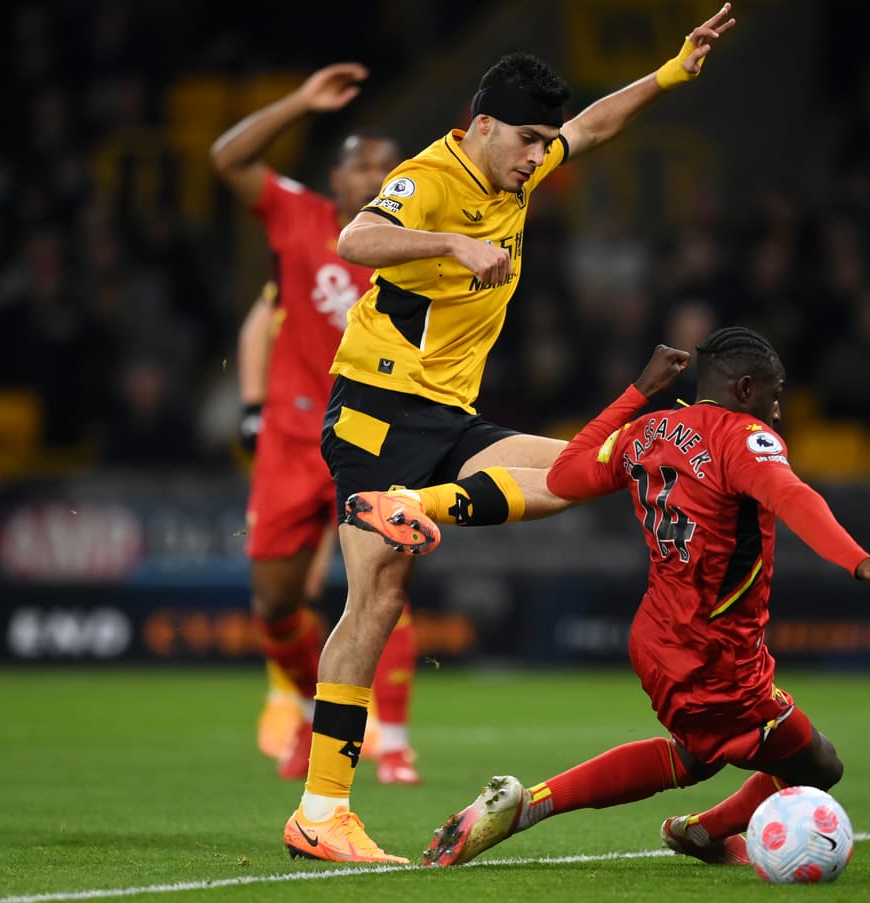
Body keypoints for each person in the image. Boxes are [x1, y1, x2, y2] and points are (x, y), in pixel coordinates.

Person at [283, 4, 739, 864]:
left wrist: (675, 71)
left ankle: (413, 504)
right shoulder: (433, 175)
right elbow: (356, 235)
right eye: (526, 139)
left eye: (542, 143)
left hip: (444, 419)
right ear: (482, 126)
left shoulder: (517, 173)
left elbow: (594, 124)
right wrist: (452, 243)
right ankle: (321, 811)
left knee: (584, 468)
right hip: (377, 411)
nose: (539, 155)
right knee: (375, 602)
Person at [420, 328, 870, 867]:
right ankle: (649, 823)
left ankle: (660, 827)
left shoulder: (645, 431)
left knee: (698, 756)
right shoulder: (742, 438)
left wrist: (635, 392)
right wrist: (862, 562)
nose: (779, 409)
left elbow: (564, 475)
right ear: (745, 388)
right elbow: (793, 496)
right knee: (821, 766)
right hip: (717, 652)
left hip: (657, 637)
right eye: (774, 393)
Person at [210, 65, 421, 787]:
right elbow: (227, 158)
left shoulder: (415, 246)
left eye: (390, 169)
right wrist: (300, 102)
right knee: (274, 604)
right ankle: (306, 707)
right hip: (291, 436)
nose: (376, 176)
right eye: (363, 164)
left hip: (370, 434)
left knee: (379, 583)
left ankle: (386, 740)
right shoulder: (297, 216)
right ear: (334, 179)